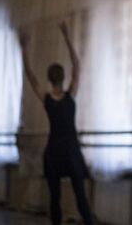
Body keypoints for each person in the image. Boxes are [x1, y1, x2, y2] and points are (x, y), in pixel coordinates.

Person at [20, 22, 94, 225]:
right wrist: (67, 37)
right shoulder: (70, 95)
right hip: (70, 149)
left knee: (55, 198)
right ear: (63, 77)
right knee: (80, 196)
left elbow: (30, 75)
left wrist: (24, 48)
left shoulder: (47, 99)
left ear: (49, 78)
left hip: (55, 150)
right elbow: (77, 66)